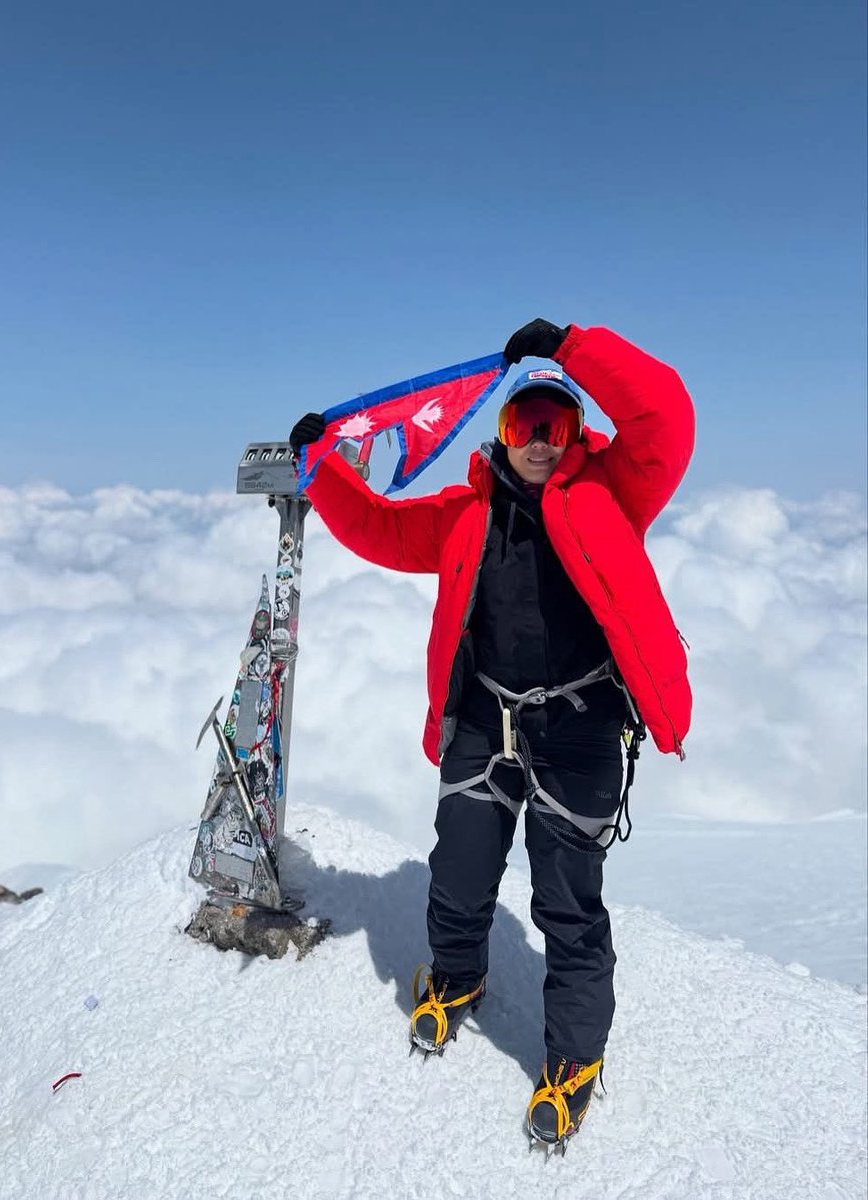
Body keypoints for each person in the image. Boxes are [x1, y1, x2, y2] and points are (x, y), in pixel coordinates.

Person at [288, 318, 695, 1150]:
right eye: (522, 426)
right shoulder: (466, 514)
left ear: (577, 434)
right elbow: (378, 528)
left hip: (578, 730)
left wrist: (573, 349)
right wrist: (322, 469)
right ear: (501, 434)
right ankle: (456, 977)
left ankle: (573, 1061)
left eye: (555, 427)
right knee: (459, 872)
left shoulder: (615, 491)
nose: (539, 443)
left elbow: (665, 415)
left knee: (566, 906)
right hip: (484, 718)